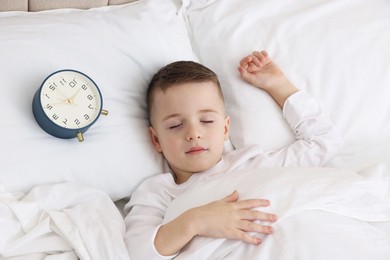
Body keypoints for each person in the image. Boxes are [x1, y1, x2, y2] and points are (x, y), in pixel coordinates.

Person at [124, 50, 343, 259]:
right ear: (155, 140)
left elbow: (324, 141)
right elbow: (138, 253)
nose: (194, 134)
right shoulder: (158, 193)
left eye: (207, 121)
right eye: (176, 125)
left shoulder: (253, 165)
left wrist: (278, 86)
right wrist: (197, 221)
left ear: (225, 129)